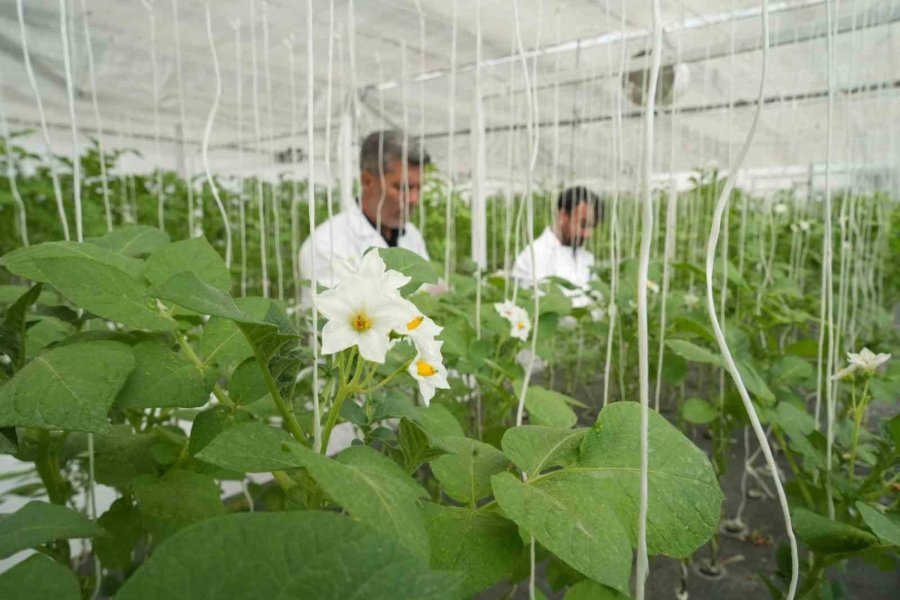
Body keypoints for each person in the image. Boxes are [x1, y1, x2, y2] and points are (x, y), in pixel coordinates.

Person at [299, 129, 430, 295]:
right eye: (403, 188)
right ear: (367, 181)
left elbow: (430, 296)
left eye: (419, 188)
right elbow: (337, 315)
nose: (414, 199)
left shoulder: (412, 235)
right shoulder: (326, 243)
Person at [511, 186, 602, 290]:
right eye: (583, 224)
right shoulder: (533, 256)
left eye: (592, 227)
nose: (588, 234)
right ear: (562, 216)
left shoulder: (587, 258)